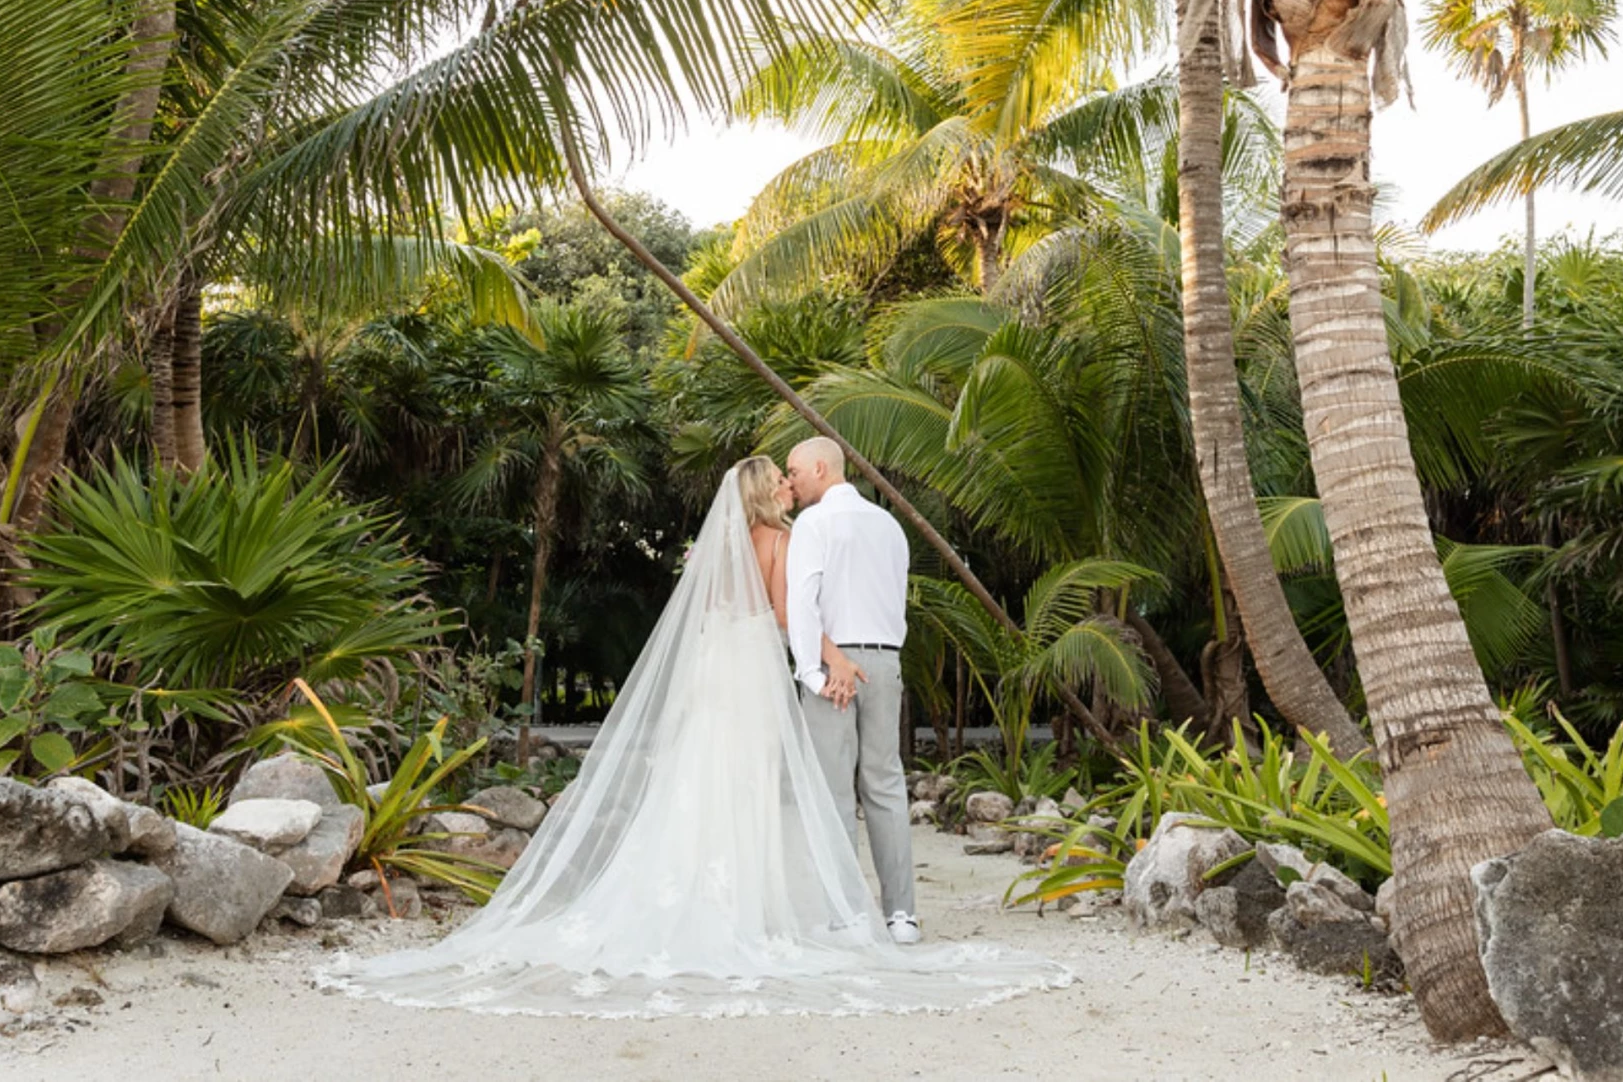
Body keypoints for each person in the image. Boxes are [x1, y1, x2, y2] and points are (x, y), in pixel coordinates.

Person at [322, 459, 1068, 1018]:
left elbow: (723, 613)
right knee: (752, 787)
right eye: (777, 476)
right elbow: (786, 617)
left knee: (703, 782)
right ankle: (759, 908)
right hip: (749, 673)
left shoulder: (717, 547)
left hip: (717, 671)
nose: (785, 483)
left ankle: (697, 897)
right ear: (762, 492)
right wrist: (831, 657)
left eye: (788, 473)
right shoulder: (775, 539)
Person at [781, 436, 919, 944]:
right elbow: (896, 597)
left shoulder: (813, 525)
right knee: (886, 785)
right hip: (885, 661)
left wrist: (813, 673)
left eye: (794, 471)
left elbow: (802, 603)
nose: (790, 480)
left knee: (833, 790)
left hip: (834, 664)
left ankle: (843, 913)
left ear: (821, 467)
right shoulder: (890, 526)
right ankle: (901, 914)